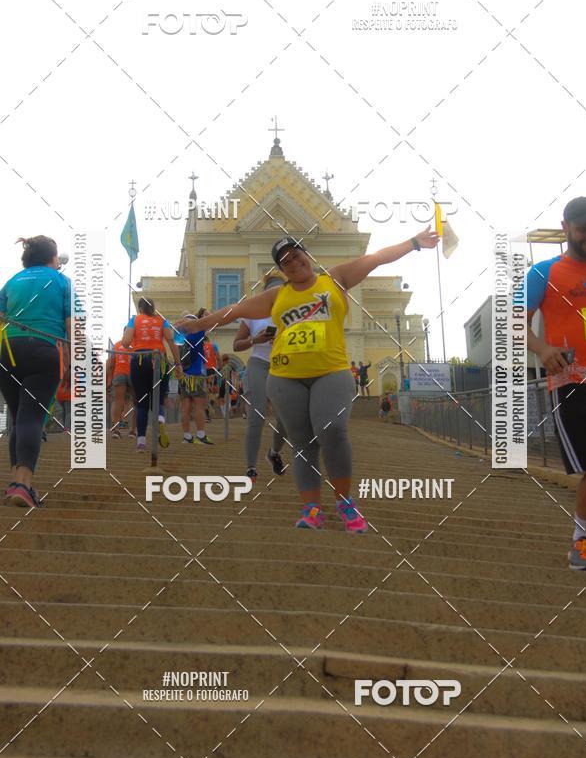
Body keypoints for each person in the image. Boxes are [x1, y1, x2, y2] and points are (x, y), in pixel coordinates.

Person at [176, 227, 438, 531]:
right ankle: (312, 509)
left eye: (296, 254)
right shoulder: (277, 296)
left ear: (306, 255)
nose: (293, 262)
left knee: (334, 431)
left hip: (331, 371)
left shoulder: (335, 279)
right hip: (286, 377)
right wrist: (198, 326)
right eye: (285, 261)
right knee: (302, 443)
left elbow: (377, 258)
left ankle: (345, 503)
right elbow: (234, 311)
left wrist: (415, 243)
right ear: (281, 270)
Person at [527, 196, 586, 571]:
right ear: (566, 227)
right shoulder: (544, 273)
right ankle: (581, 545)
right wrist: (541, 349)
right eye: (584, 227)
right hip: (573, 385)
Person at [0, 236, 71, 507]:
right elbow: (72, 324)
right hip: (44, 350)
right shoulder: (62, 281)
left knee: (18, 418)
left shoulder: (12, 281)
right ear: (53, 259)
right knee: (31, 417)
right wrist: (75, 362)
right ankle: (23, 485)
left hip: (7, 350)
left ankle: (15, 483)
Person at [232, 273, 287, 482]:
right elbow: (237, 344)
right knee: (257, 415)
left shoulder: (291, 312)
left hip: (283, 366)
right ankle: (251, 467)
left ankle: (274, 453)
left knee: (286, 419)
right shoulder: (253, 313)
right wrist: (256, 339)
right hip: (259, 364)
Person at [122, 298, 182, 452]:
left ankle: (141, 442)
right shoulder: (162, 320)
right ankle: (160, 418)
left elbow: (126, 341)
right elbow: (171, 340)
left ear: (140, 308)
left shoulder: (134, 319)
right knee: (159, 397)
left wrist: (132, 344)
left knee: (141, 403)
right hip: (159, 360)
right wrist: (177, 363)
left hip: (140, 359)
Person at [177, 310, 214, 446]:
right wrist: (205, 315)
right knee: (199, 405)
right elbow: (212, 320)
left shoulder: (180, 336)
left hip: (184, 374)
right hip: (197, 373)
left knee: (185, 406)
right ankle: (200, 435)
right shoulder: (198, 332)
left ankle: (187, 436)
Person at [106, 338, 136, 437]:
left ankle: (116, 429)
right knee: (135, 402)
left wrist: (109, 380)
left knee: (117, 401)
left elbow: (110, 364)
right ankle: (132, 431)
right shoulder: (136, 344)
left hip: (118, 373)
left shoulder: (117, 345)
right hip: (132, 374)